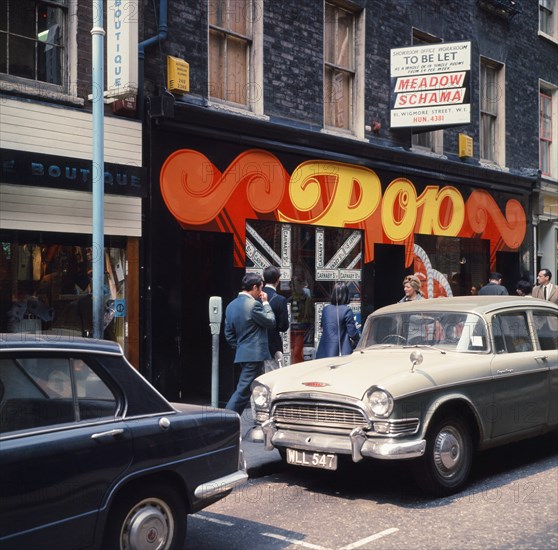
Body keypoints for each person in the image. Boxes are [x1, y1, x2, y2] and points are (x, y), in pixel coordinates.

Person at [224, 273, 276, 414]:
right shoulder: (253, 305)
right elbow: (271, 321)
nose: (261, 292)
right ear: (254, 287)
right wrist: (266, 303)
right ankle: (226, 419)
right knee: (243, 391)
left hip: (244, 353)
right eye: (260, 288)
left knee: (253, 391)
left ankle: (247, 419)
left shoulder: (230, 306)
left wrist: (241, 347)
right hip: (255, 354)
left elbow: (229, 334)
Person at [315, 282, 360, 359]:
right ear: (346, 295)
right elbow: (352, 333)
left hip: (324, 351)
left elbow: (323, 327)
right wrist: (359, 344)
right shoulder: (346, 310)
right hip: (341, 351)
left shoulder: (326, 310)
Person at [262, 266, 289, 372]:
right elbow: (283, 326)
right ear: (278, 280)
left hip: (256, 346)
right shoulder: (280, 300)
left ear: (264, 279)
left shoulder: (255, 297)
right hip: (273, 345)